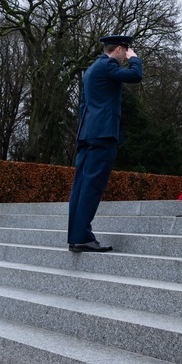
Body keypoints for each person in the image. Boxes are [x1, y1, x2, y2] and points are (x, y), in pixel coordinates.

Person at [68, 34, 143, 253]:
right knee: (92, 187)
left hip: (88, 133)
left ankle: (76, 236)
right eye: (125, 51)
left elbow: (84, 105)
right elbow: (135, 75)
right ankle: (82, 237)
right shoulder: (108, 64)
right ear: (119, 49)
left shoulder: (91, 69)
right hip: (102, 134)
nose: (125, 56)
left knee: (81, 186)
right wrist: (135, 58)